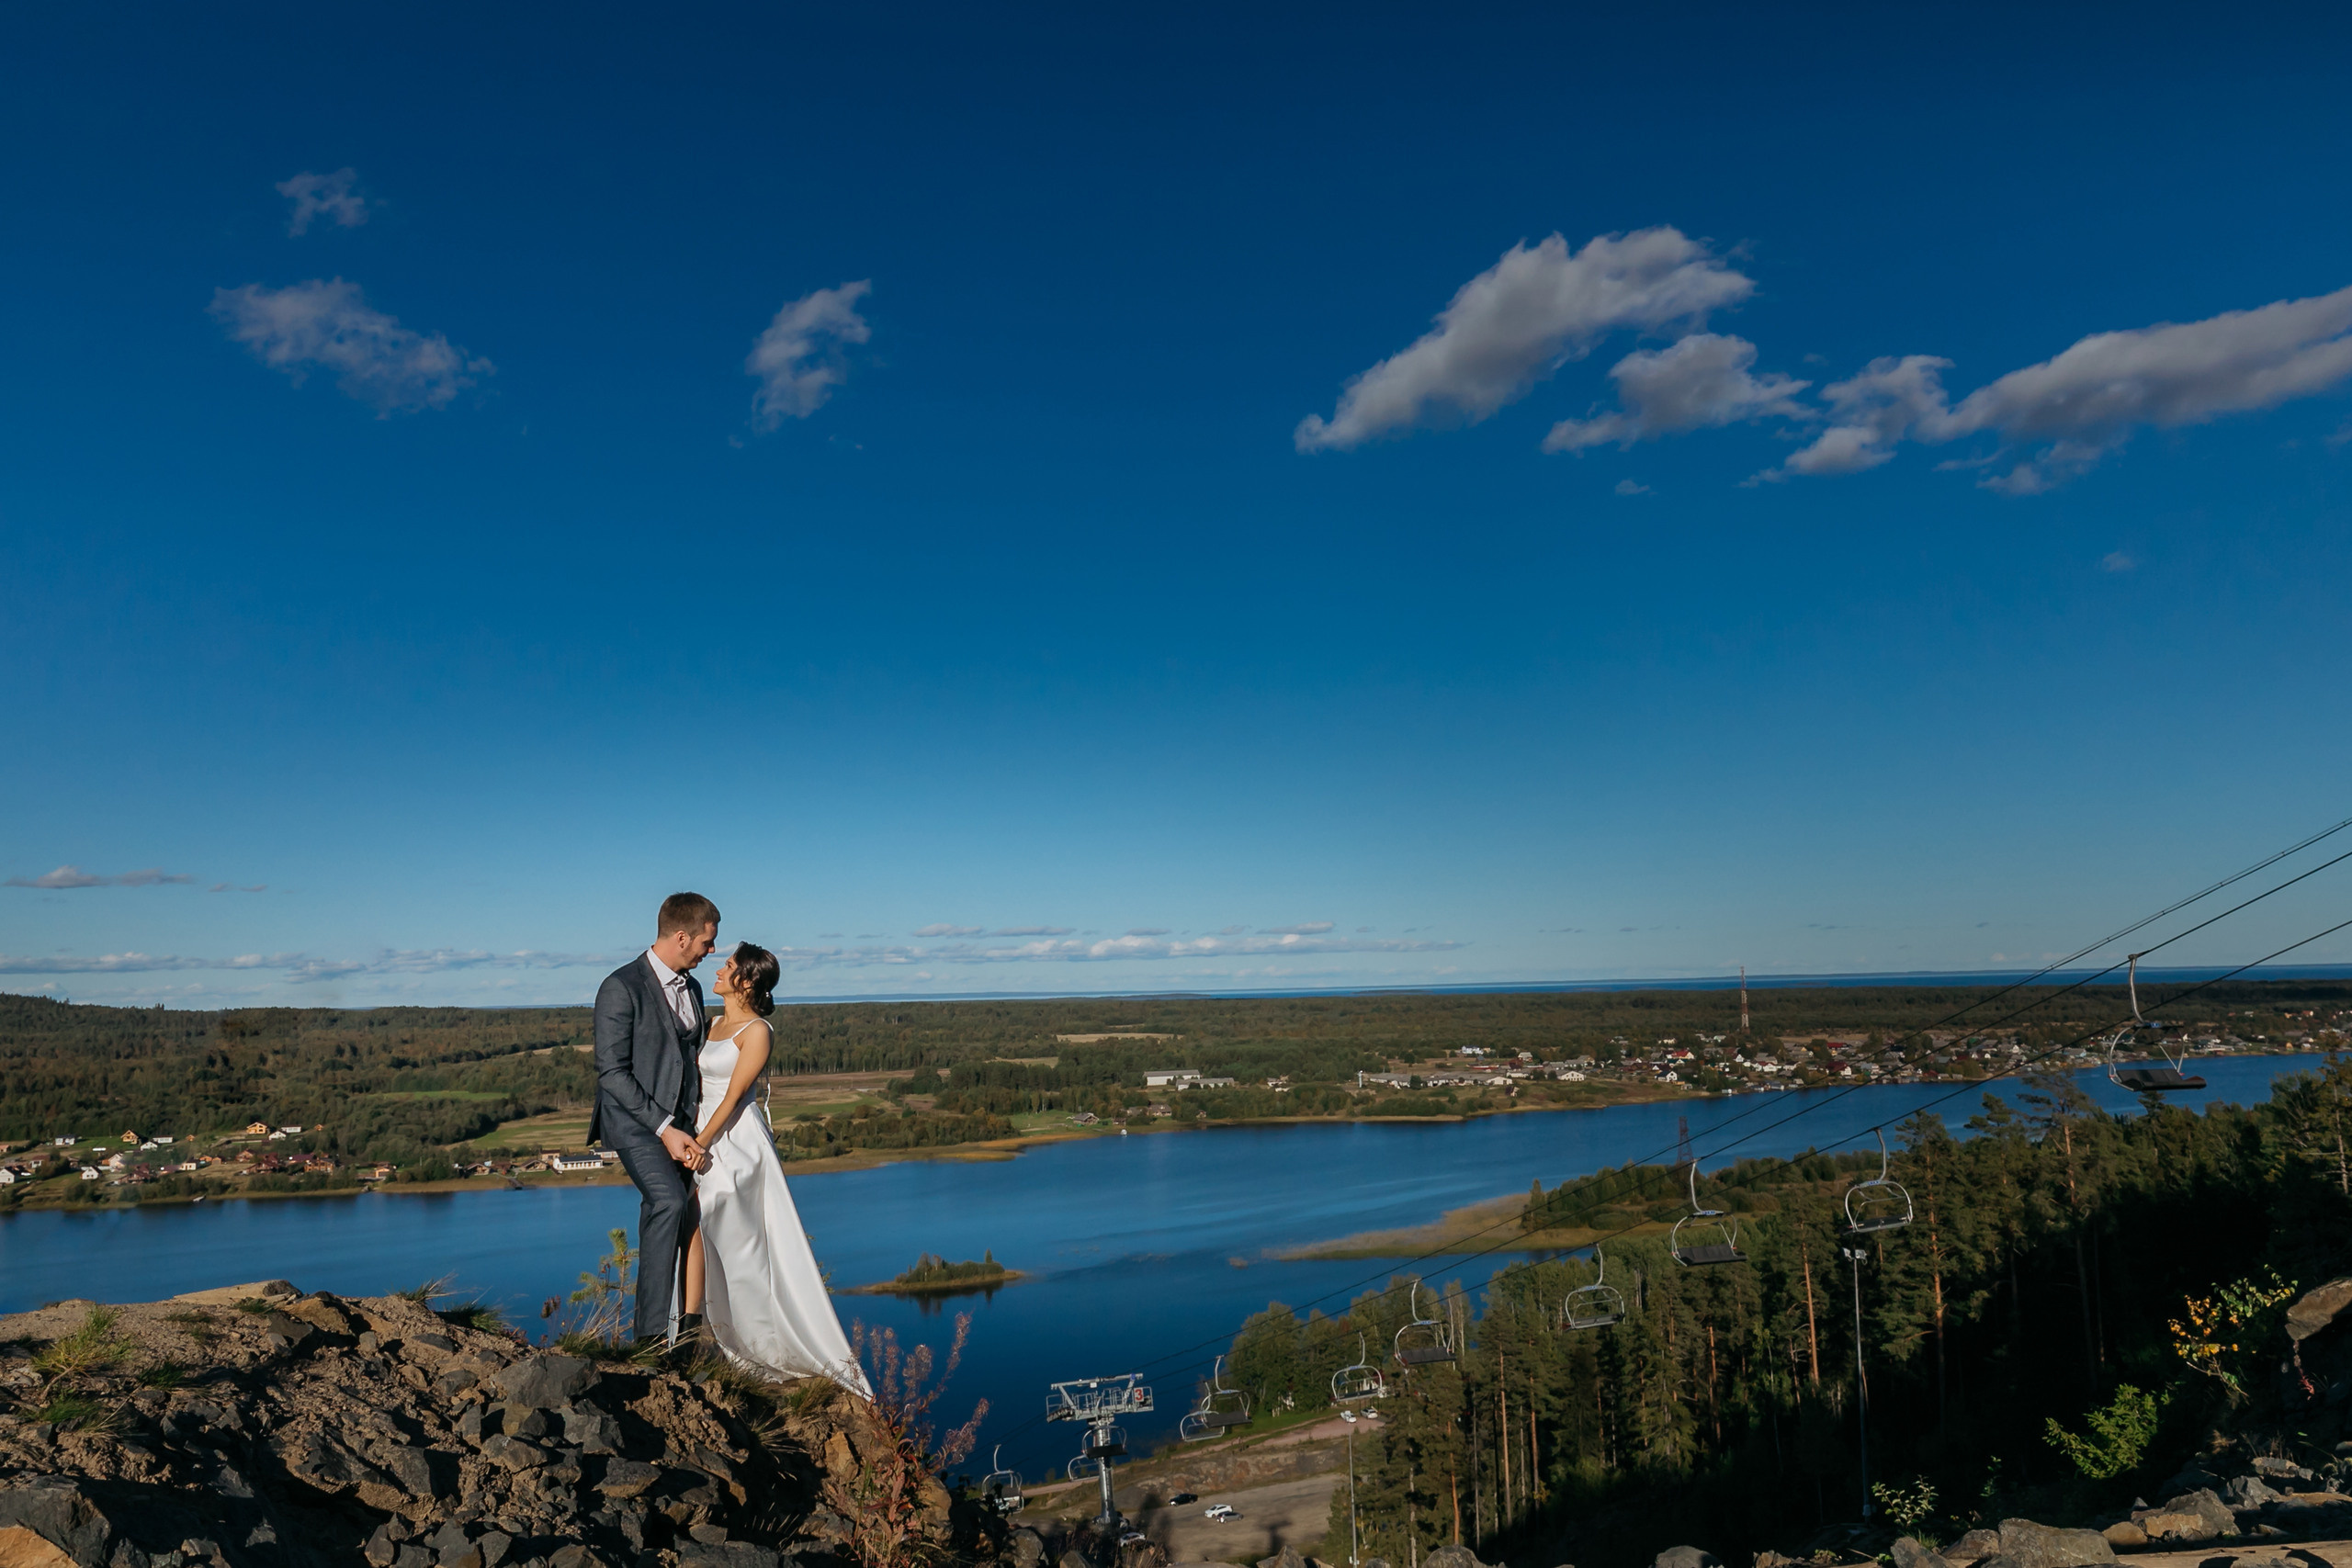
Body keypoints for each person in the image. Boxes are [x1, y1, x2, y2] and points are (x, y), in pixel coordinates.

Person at [679, 941, 872, 1395]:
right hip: (701, 1134)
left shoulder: (758, 1031)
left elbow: (733, 1097)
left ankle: (759, 1345)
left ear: (747, 980)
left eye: (728, 966)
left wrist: (701, 1144)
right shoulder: (713, 1023)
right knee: (696, 1229)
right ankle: (693, 1329)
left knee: (736, 1243)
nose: (718, 970)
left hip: (735, 1143)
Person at [590, 892, 719, 1346]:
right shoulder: (620, 986)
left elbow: (688, 1062)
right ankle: (648, 1341)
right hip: (636, 1123)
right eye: (707, 941)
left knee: (690, 1213)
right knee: (667, 1202)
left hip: (683, 1126)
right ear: (682, 937)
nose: (711, 950)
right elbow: (611, 1072)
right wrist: (664, 1128)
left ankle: (686, 1334)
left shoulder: (694, 989)